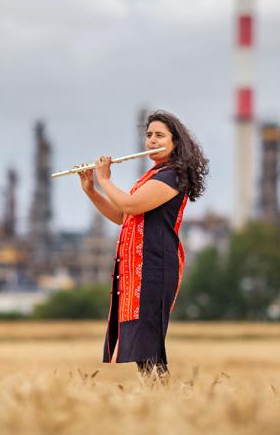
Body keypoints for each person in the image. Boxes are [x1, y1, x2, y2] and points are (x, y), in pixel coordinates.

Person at [77, 110, 209, 381]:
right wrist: (92, 191)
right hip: (140, 271)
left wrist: (104, 180)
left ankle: (164, 400)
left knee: (148, 348)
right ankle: (160, 401)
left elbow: (129, 204)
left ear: (175, 142)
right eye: (148, 135)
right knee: (142, 349)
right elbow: (123, 217)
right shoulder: (152, 175)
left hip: (155, 268)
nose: (151, 140)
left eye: (159, 135)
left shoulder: (171, 176)